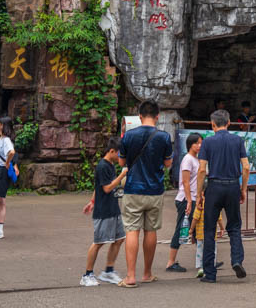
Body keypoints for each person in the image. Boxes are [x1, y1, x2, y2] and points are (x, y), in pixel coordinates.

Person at [118, 100, 173, 287]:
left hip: (133, 189)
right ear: (158, 116)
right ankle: (147, 273)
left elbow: (121, 162)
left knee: (132, 230)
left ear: (139, 116)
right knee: (151, 230)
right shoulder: (164, 137)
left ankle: (131, 276)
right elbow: (167, 164)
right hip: (155, 190)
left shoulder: (128, 136)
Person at [195, 109, 249, 283]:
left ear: (212, 124)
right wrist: (243, 188)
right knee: (234, 226)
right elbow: (246, 167)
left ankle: (210, 274)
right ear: (229, 122)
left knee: (209, 230)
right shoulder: (238, 140)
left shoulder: (208, 142)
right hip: (232, 185)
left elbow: (202, 169)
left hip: (214, 187)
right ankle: (237, 260)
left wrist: (199, 194)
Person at [80, 137, 128, 286]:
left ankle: (108, 271)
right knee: (99, 242)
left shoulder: (110, 165)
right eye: (119, 154)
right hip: (104, 212)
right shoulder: (102, 166)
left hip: (113, 209)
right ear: (112, 151)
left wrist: (92, 201)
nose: (120, 157)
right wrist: (122, 175)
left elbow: (98, 187)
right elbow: (106, 188)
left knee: (119, 239)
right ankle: (87, 275)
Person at [165, 132, 202, 273]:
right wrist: (188, 201)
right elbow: (185, 182)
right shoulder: (187, 159)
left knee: (198, 229)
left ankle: (204, 260)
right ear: (189, 144)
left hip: (193, 199)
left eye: (200, 143)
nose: (199, 146)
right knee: (182, 229)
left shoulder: (196, 159)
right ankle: (170, 262)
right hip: (186, 199)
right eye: (196, 143)